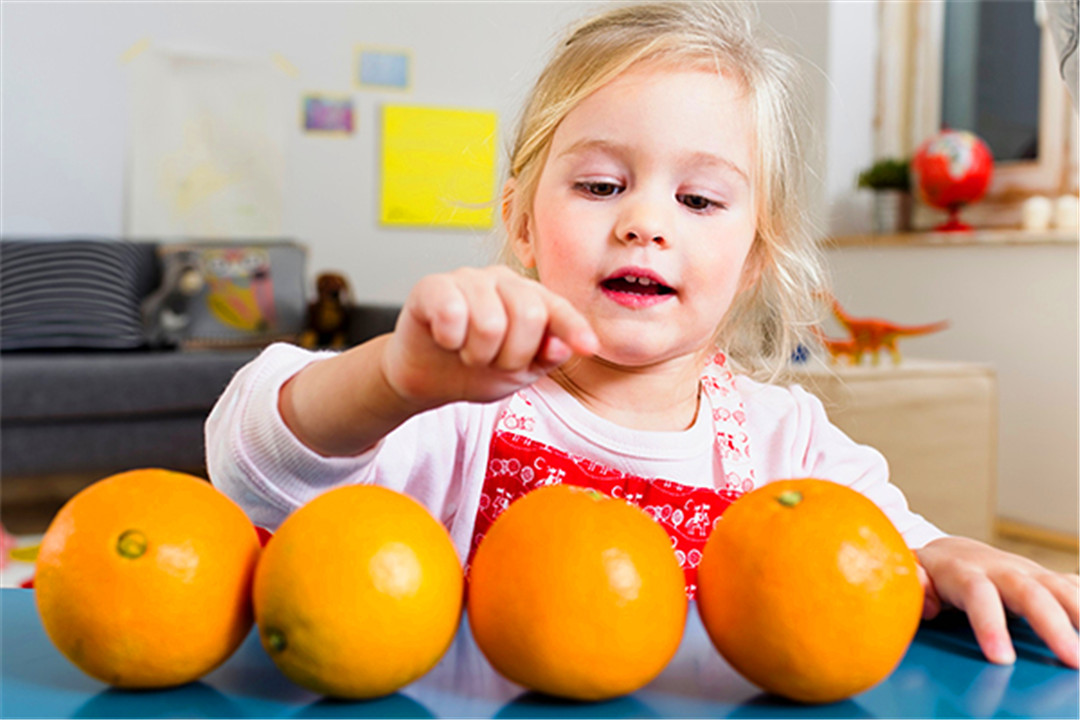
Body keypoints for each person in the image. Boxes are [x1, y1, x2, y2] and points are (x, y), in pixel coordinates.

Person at [207, 0, 1079, 670]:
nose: (644, 222)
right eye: (598, 186)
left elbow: (891, 553)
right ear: (520, 222)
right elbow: (250, 461)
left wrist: (946, 554)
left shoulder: (790, 446)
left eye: (699, 200)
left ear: (750, 260)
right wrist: (396, 377)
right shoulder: (453, 412)